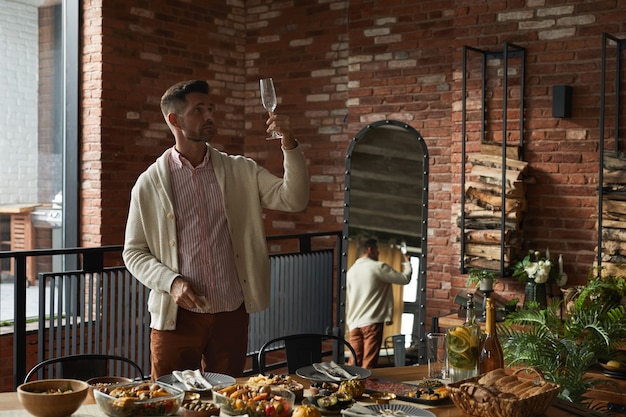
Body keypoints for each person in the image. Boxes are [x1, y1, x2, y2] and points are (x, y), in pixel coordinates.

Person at [122, 79, 309, 379]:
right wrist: (171, 283)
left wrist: (289, 142)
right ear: (175, 120)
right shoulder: (149, 183)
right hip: (176, 319)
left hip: (230, 315)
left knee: (228, 403)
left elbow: (295, 198)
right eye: (199, 110)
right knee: (172, 405)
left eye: (210, 108)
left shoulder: (241, 170)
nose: (209, 116)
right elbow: (133, 253)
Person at [346, 238, 412, 368]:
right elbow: (404, 279)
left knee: (353, 364)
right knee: (368, 364)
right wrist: (407, 263)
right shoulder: (378, 267)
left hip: (353, 323)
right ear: (370, 249)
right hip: (372, 323)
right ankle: (367, 387)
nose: (379, 253)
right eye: (377, 250)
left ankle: (348, 387)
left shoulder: (350, 272)